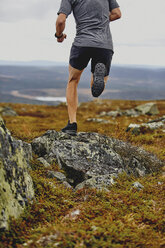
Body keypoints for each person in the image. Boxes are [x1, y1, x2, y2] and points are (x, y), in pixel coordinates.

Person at [55, 0, 121, 135]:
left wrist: (59, 35)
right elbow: (117, 14)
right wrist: (100, 20)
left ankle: (72, 124)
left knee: (73, 81)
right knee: (97, 86)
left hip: (82, 44)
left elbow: (61, 21)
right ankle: (98, 76)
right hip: (104, 45)